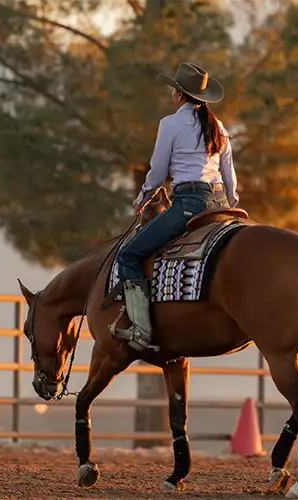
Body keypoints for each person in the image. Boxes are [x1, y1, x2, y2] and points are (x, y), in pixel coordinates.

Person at [111, 62, 238, 352]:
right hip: (219, 204)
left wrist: (144, 197)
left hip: (189, 204)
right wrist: (229, 208)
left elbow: (157, 171)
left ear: (179, 95)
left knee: (129, 253)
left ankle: (141, 330)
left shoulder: (170, 124)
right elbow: (230, 179)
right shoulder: (218, 127)